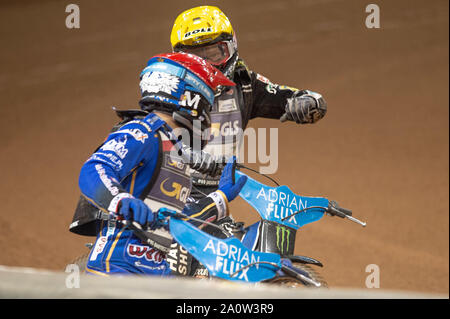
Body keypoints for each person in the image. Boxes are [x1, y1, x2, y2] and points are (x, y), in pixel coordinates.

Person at [75, 52, 247, 276]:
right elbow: (94, 168)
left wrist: (221, 197)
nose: (208, 114)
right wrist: (120, 198)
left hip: (155, 276)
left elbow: (176, 220)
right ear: (191, 98)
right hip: (117, 270)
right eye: (208, 104)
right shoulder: (142, 131)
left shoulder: (175, 150)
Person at [169, 6, 328, 199]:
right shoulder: (168, 89)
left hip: (218, 194)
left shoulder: (244, 84)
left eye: (213, 54)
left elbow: (309, 100)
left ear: (231, 46)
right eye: (193, 57)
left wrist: (309, 103)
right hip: (168, 193)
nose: (205, 65)